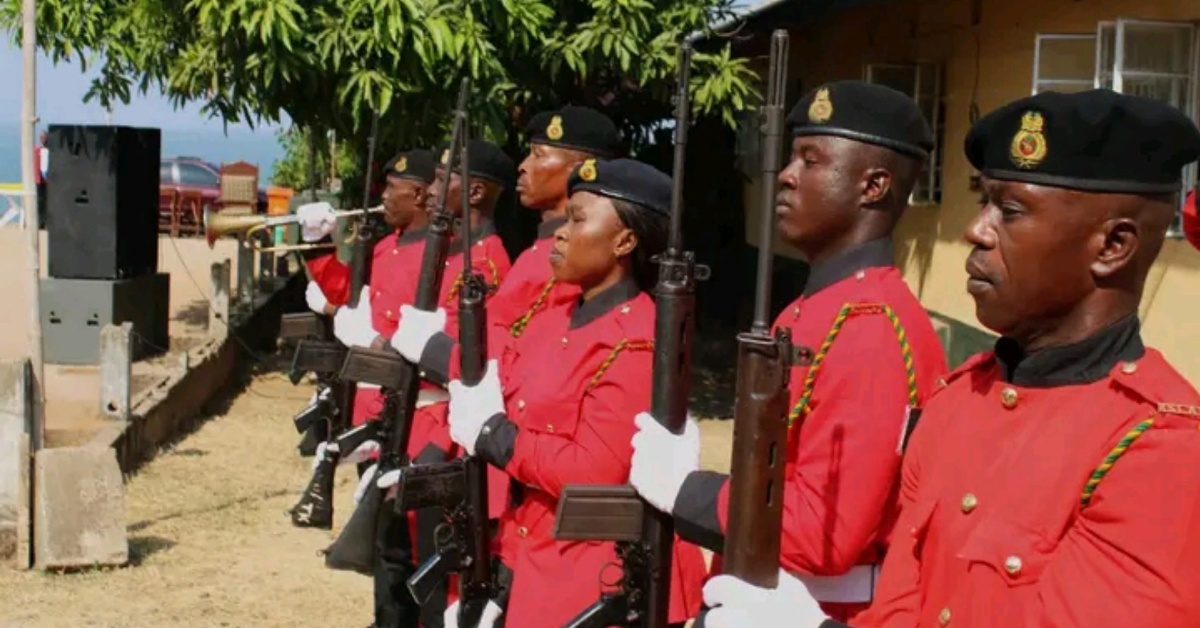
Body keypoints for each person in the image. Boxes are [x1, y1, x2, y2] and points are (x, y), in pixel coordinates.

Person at [700, 89, 1200, 627]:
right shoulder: (958, 402)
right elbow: (898, 610)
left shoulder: (1158, 447)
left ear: (1112, 247)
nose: (975, 230)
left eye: (1009, 211)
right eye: (984, 202)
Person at [625, 81, 949, 622]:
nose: (787, 175)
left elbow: (826, 532)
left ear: (873, 186)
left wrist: (688, 490)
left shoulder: (871, 327)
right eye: (792, 156)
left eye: (811, 160)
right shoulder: (817, 307)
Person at [433, 158, 707, 628]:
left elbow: (592, 470)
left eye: (579, 219)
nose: (560, 232)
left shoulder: (638, 337)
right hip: (536, 550)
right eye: (566, 217)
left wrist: (497, 436)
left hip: (600, 577)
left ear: (625, 241)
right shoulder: (559, 314)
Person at [388, 105, 623, 386]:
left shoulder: (570, 256)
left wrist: (432, 348)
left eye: (538, 155)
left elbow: (519, 357)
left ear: (579, 171)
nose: (523, 165)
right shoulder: (536, 253)